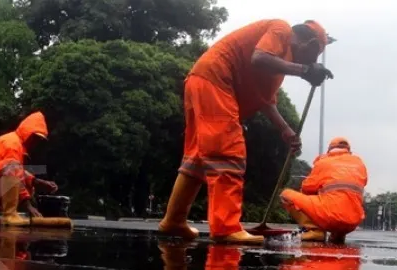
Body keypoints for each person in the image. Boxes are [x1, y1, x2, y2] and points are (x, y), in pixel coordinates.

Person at [158, 19, 334, 244]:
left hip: (203, 81)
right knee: (228, 153)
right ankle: (226, 227)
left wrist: (286, 131)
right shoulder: (281, 30)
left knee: (197, 159)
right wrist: (304, 70)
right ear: (310, 44)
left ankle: (173, 220)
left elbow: (266, 101)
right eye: (315, 54)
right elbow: (259, 58)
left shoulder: (278, 66)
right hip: (216, 80)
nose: (314, 60)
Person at [0, 111, 70, 228]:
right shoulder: (12, 144)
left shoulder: (17, 144)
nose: (36, 142)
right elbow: (12, 168)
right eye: (35, 137)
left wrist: (37, 182)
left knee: (27, 185)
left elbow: (17, 173)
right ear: (27, 132)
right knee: (13, 168)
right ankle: (10, 215)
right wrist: (28, 205)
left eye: (39, 139)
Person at [279, 136, 368, 243]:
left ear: (329, 149)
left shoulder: (324, 162)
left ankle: (315, 230)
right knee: (344, 198)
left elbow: (307, 188)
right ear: (349, 150)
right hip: (353, 221)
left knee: (285, 195)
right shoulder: (359, 164)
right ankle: (338, 235)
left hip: (330, 217)